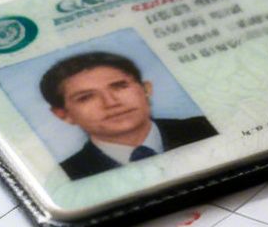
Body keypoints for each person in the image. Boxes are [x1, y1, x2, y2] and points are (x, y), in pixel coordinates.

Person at [38, 50, 216, 180]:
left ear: (146, 89)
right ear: (63, 114)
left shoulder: (207, 128)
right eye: (86, 97)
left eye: (119, 86)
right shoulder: (67, 176)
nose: (111, 102)